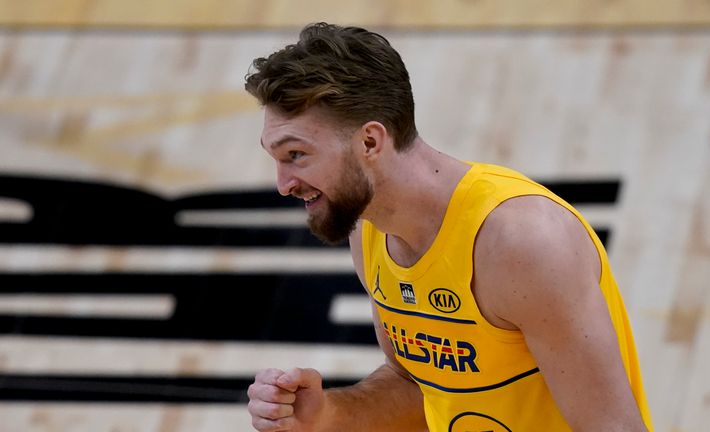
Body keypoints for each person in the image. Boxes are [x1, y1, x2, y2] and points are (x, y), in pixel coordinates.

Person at [244, 22, 653, 432]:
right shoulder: (368, 232)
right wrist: (328, 413)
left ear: (370, 142)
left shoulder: (521, 241)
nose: (283, 185)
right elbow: (415, 385)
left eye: (296, 154)